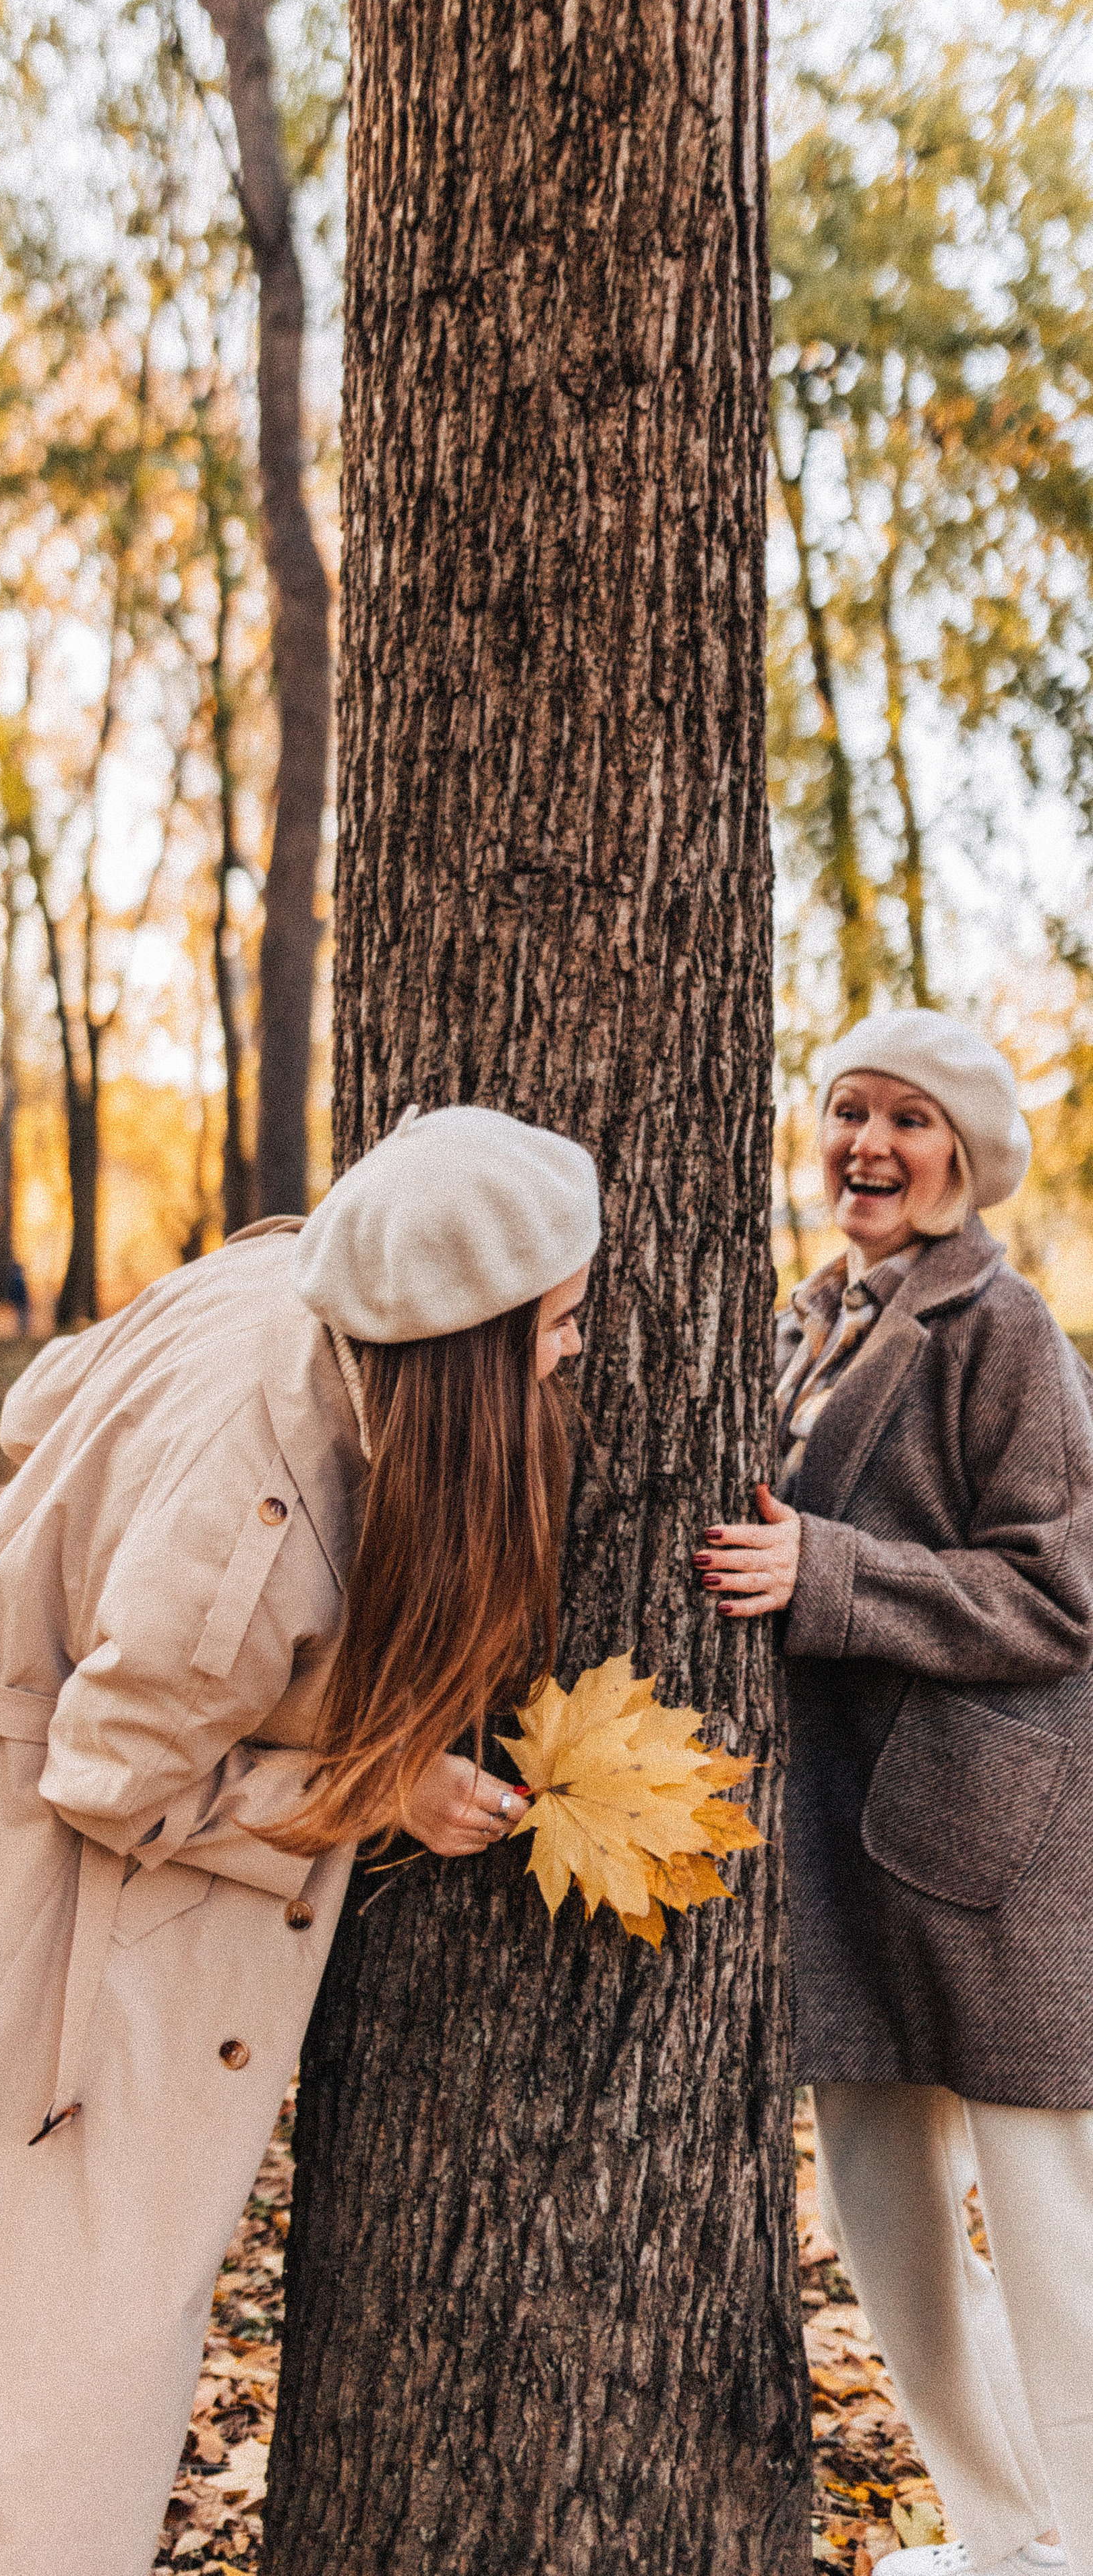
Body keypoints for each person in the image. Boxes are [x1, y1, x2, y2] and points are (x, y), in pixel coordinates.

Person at [0, 1103, 600, 2576]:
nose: (574, 1347)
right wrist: (370, 1789)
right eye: (555, 1323)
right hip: (54, 1821)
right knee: (52, 2281)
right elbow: (113, 1773)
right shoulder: (257, 1523)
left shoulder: (285, 1276)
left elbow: (38, 1402)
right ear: (457, 1344)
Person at [699, 1012, 1093, 2576]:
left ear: (965, 1155)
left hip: (997, 1851)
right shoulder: (813, 1321)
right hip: (846, 1847)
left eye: (905, 1120)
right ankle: (1009, 2543)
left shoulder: (1005, 1334)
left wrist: (827, 1574)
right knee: (889, 2235)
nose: (865, 1142)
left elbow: (1057, 1595)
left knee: (1050, 2232)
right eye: (846, 1110)